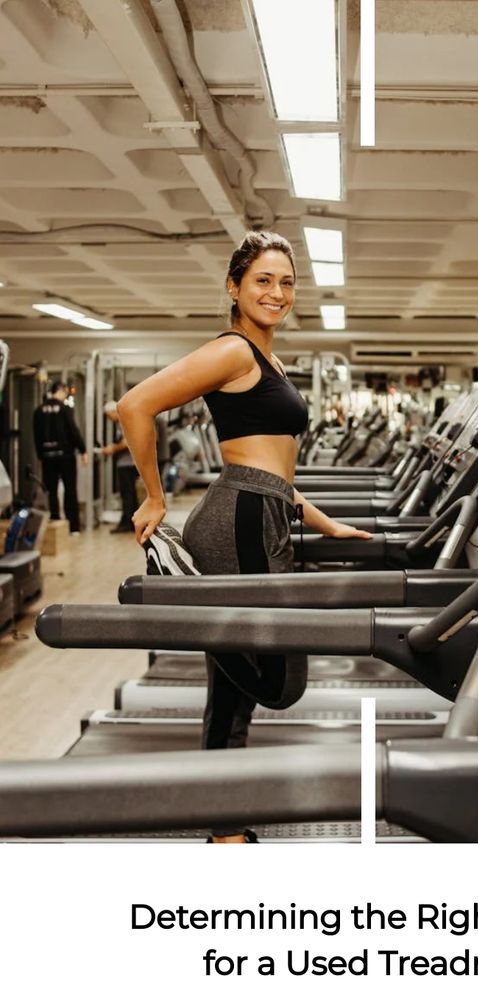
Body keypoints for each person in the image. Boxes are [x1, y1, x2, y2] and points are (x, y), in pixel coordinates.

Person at [117, 230, 371, 843]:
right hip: (240, 518)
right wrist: (153, 496)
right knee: (269, 678)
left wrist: (322, 520)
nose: (277, 292)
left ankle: (224, 824)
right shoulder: (233, 351)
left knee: (238, 686)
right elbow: (133, 405)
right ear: (234, 287)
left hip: (262, 508)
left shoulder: (269, 358)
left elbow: (273, 465)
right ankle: (222, 823)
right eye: (263, 279)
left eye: (286, 282)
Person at [32, 381, 88, 535]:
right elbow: (73, 430)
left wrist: (40, 455)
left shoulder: (39, 410)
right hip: (65, 456)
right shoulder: (64, 409)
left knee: (51, 491)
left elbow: (36, 435)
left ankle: (55, 521)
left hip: (47, 457)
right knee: (70, 490)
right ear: (61, 391)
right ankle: (73, 527)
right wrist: (83, 450)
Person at [102, 401, 139, 533]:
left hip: (127, 463)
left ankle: (127, 522)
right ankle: (132, 520)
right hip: (130, 462)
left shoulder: (123, 421)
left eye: (108, 415)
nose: (109, 419)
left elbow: (126, 442)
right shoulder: (124, 420)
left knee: (127, 494)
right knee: (130, 494)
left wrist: (112, 448)